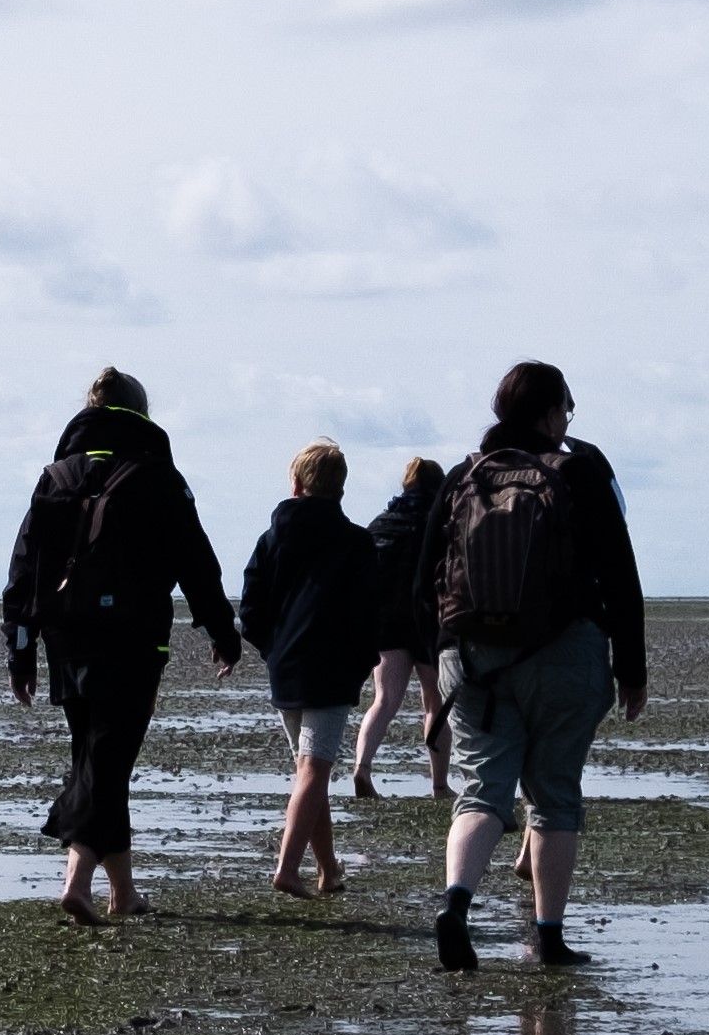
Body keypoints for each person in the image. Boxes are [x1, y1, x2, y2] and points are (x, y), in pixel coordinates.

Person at [423, 359, 649, 974]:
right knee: (553, 795)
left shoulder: (465, 476)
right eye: (566, 410)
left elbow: (425, 578)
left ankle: (456, 905)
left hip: (469, 661)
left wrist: (446, 656)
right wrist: (632, 666)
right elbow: (620, 575)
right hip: (564, 654)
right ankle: (548, 936)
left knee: (480, 791)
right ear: (552, 413)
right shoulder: (578, 472)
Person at [0, 366, 235, 924]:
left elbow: (23, 569)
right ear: (140, 413)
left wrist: (21, 649)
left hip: (66, 638)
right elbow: (194, 560)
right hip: (132, 640)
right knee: (106, 762)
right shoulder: (156, 474)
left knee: (100, 757)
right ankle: (77, 880)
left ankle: (123, 893)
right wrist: (222, 631)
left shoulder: (57, 476)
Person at [235, 438, 376, 899]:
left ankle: (329, 869)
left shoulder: (274, 537)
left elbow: (251, 606)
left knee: (308, 770)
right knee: (313, 771)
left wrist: (271, 648)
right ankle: (288, 867)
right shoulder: (356, 542)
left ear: (297, 483)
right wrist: (362, 659)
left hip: (289, 665)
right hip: (330, 669)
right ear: (339, 487)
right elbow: (369, 612)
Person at [350, 454, 447, 800]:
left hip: (386, 622)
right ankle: (439, 784)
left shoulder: (381, 523)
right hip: (428, 622)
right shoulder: (441, 523)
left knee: (384, 699)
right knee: (434, 701)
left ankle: (362, 767)